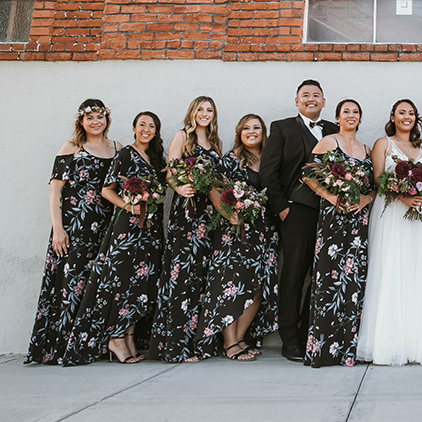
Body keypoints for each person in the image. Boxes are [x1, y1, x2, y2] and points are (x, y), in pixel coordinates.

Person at [357, 99, 422, 366]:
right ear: (393, 116)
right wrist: (403, 197)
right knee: (392, 270)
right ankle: (389, 344)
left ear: (416, 118)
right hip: (391, 213)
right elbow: (378, 178)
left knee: (418, 270)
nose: (407, 117)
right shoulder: (382, 144)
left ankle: (418, 342)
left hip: (419, 217)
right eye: (402, 112)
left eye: (411, 113)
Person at [65, 111, 167, 365]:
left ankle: (130, 338)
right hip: (128, 229)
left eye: (151, 126)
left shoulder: (156, 159)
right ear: (133, 128)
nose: (146, 129)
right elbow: (106, 189)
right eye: (142, 124)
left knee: (141, 285)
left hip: (150, 230)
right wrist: (128, 206)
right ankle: (115, 339)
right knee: (122, 282)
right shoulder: (126, 154)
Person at [26, 99, 120, 365]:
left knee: (96, 286)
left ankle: (91, 345)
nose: (95, 122)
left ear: (107, 119)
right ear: (81, 121)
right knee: (70, 285)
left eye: (99, 117)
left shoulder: (117, 148)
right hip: (74, 227)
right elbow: (55, 189)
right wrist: (58, 229)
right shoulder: (72, 147)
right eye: (89, 118)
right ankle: (62, 347)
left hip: (105, 227)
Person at [259, 80, 338, 362]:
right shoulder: (281, 128)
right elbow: (269, 172)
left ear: (324, 101)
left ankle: (309, 333)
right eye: (305, 95)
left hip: (330, 214)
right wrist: (282, 209)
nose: (311, 99)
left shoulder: (333, 130)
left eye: (316, 95)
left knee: (321, 276)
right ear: (296, 101)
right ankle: (289, 338)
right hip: (296, 213)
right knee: (293, 274)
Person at [149, 96, 223, 362]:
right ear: (192, 112)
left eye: (209, 110)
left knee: (201, 277)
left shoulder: (215, 143)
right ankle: (175, 346)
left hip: (209, 215)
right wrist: (179, 187)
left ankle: (198, 343)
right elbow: (170, 172)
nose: (205, 114)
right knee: (181, 274)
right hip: (187, 212)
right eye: (200, 109)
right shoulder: (182, 137)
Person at [303, 100, 375, 367]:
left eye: (356, 112)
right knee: (329, 282)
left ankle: (348, 350)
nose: (351, 116)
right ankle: (323, 350)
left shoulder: (366, 149)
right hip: (333, 223)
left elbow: (375, 187)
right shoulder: (328, 142)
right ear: (337, 117)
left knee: (353, 283)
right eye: (346, 112)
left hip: (358, 225)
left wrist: (366, 200)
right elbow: (307, 174)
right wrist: (330, 196)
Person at [197, 114, 275, 362]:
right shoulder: (231, 160)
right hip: (235, 230)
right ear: (239, 132)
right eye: (246, 128)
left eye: (257, 127)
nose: (252, 132)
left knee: (256, 287)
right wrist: (226, 212)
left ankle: (240, 338)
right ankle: (229, 343)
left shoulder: (270, 160)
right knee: (231, 286)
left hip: (263, 232)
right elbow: (213, 187)